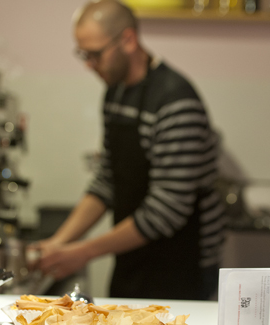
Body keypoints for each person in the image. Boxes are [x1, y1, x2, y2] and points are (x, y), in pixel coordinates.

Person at [30, 0, 225, 300]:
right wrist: (59, 243)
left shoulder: (175, 101)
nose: (88, 64)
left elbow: (167, 208)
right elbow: (108, 178)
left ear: (129, 40)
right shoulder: (116, 92)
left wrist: (83, 252)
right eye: (83, 54)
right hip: (133, 254)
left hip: (180, 263)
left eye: (95, 54)